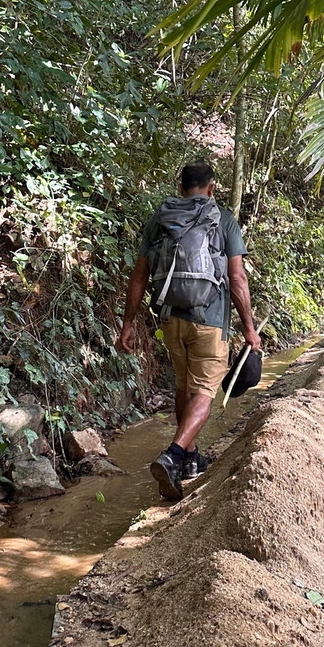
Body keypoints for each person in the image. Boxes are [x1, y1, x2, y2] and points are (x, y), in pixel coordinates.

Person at [118, 159, 261, 500]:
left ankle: (191, 460)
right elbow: (238, 279)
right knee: (205, 392)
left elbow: (139, 275)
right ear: (211, 188)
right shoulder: (223, 219)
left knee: (184, 386)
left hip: (171, 319)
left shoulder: (160, 219)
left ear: (180, 187)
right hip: (210, 322)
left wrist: (128, 322)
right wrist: (250, 329)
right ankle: (175, 455)